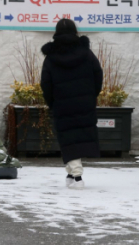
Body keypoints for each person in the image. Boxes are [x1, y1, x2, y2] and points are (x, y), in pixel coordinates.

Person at [41, 19, 103, 190]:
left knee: (67, 138)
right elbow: (98, 75)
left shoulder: (51, 57)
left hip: (61, 104)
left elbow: (45, 83)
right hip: (84, 102)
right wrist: (91, 95)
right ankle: (70, 174)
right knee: (78, 137)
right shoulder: (87, 53)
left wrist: (51, 102)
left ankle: (77, 177)